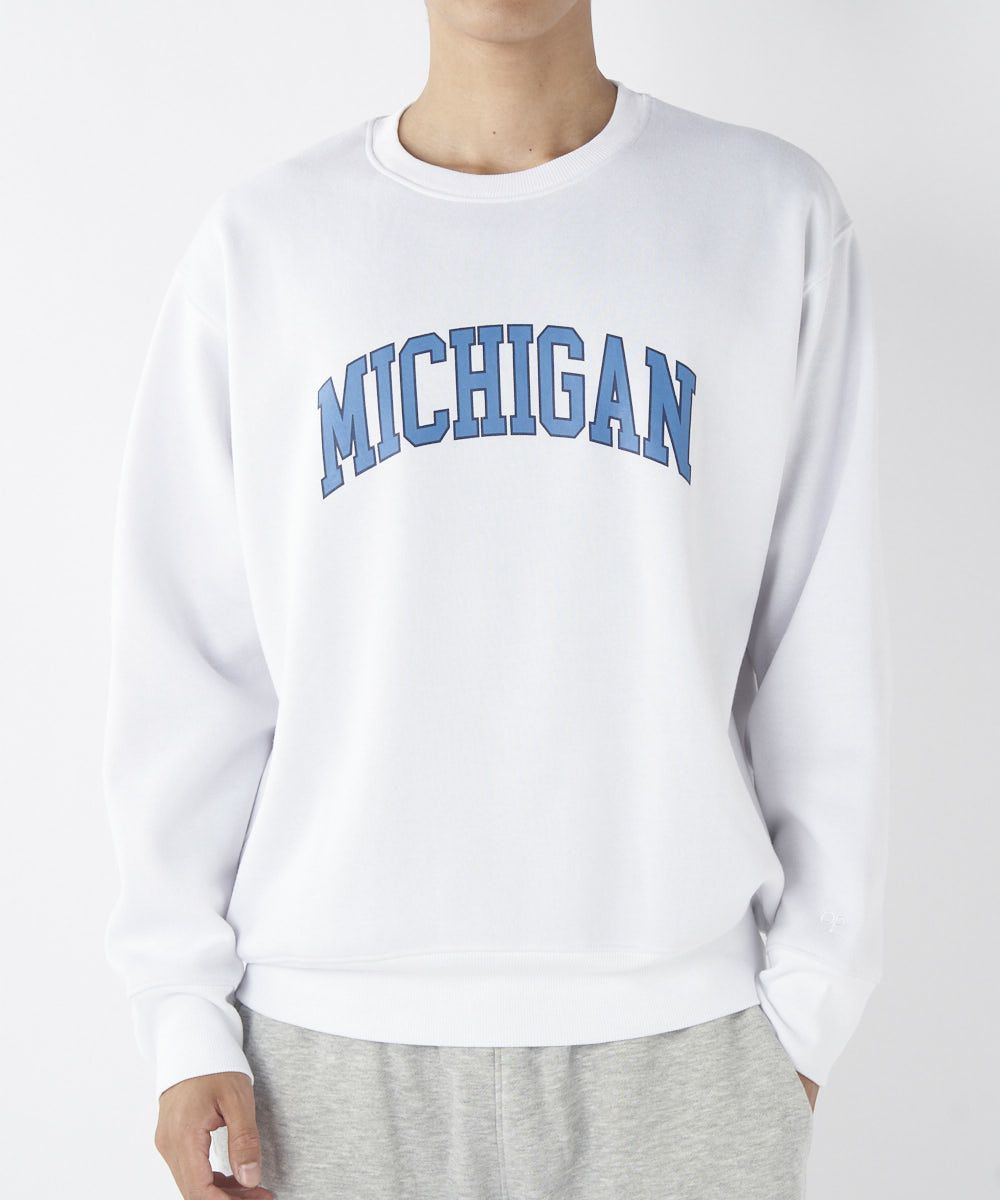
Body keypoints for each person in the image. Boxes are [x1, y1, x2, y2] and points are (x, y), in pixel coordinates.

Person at [103, 1, 892, 1197]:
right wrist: (181, 1011)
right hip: (319, 1050)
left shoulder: (768, 214)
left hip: (684, 1040)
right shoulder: (268, 242)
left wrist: (804, 1014)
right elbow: (192, 662)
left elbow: (819, 640)